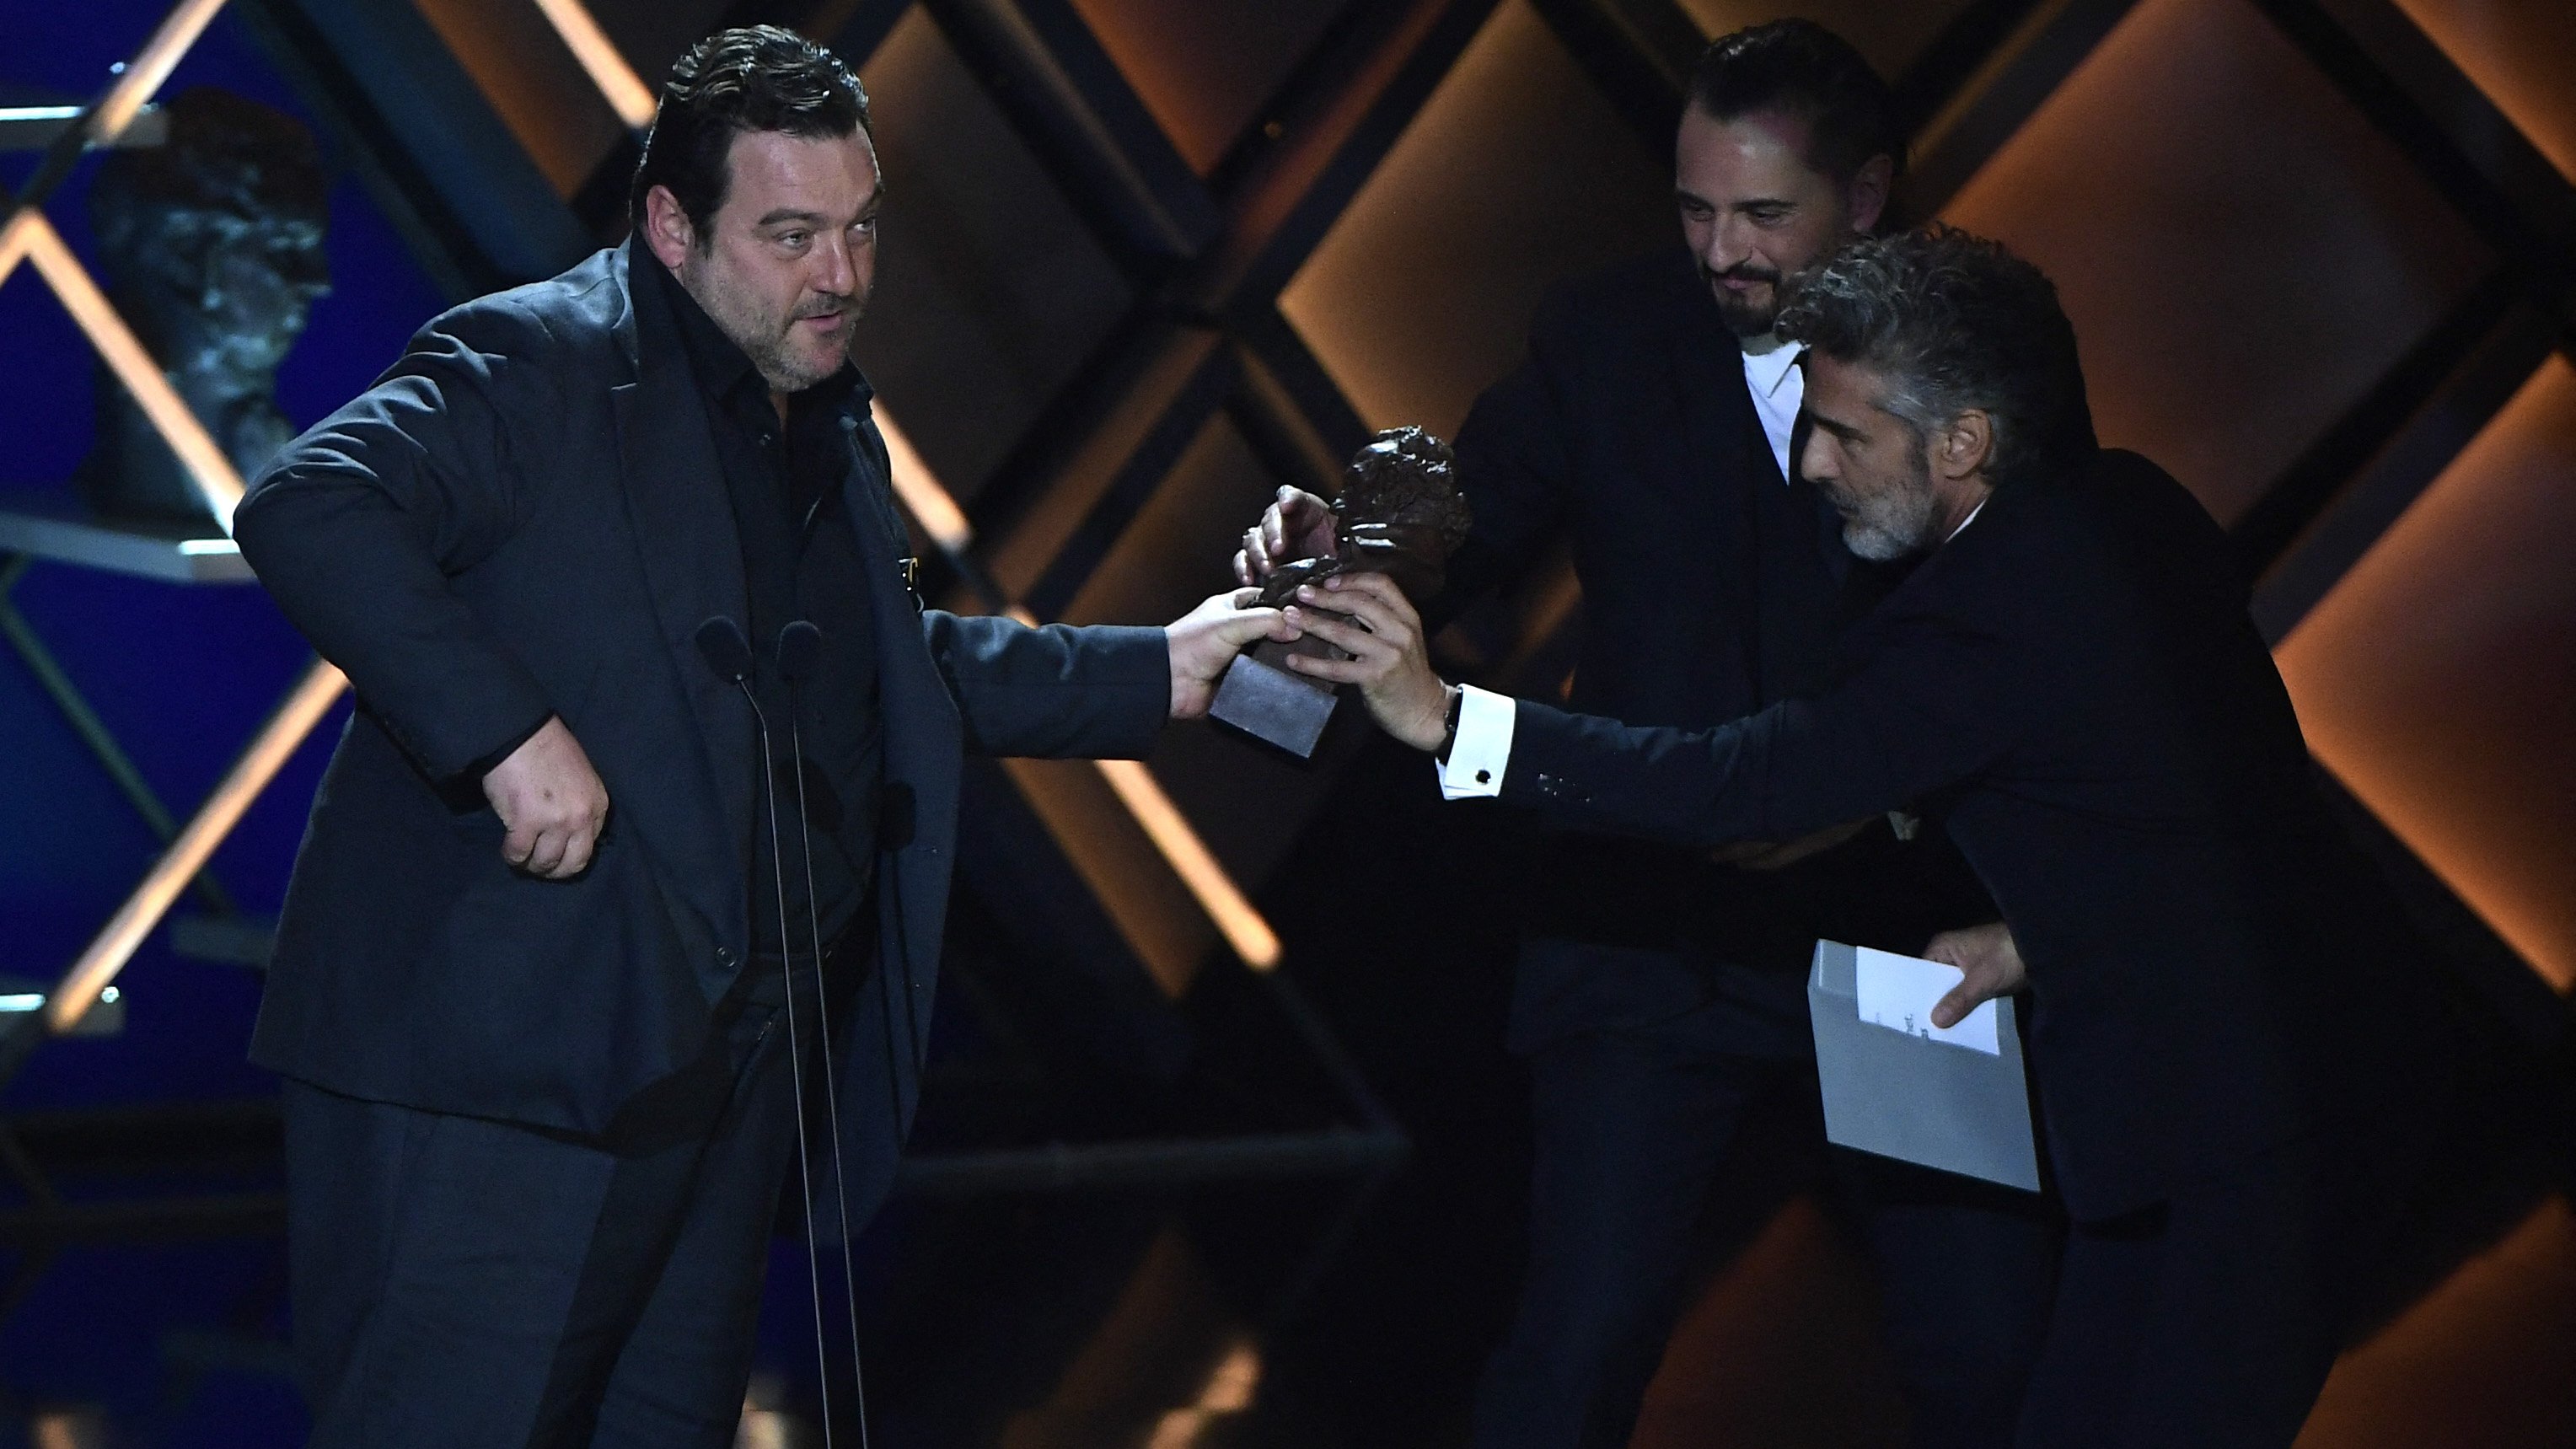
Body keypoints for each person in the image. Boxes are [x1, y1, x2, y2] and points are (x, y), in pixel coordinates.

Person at [232, 27, 1285, 1448]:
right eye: (791, 236)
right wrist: (508, 732)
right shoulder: (536, 359)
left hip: (727, 1065)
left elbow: (869, 672)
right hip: (518, 1075)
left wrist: (1155, 671)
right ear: (673, 226)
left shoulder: (815, 409)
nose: (840, 274)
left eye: (860, 229)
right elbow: (310, 505)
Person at [1296, 223, 2450, 1448]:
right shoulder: (2127, 506)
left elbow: (1747, 785)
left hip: (2255, 1117)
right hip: (2253, 1080)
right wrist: (2028, 937)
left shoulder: (1988, 614)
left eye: (1845, 434)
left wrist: (1446, 718)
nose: (1810, 463)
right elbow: (2189, 809)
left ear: (1962, 442)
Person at [1239, 21, 2053, 1446]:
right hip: (1650, 933)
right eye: (1694, 209)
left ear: (1865, 197)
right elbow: (1468, 521)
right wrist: (1343, 552)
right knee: (1582, 1342)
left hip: (1899, 941)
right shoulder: (1606, 336)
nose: (1721, 251)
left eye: (1762, 214)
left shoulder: (1975, 358)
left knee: (1981, 1351)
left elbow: (2049, 636)